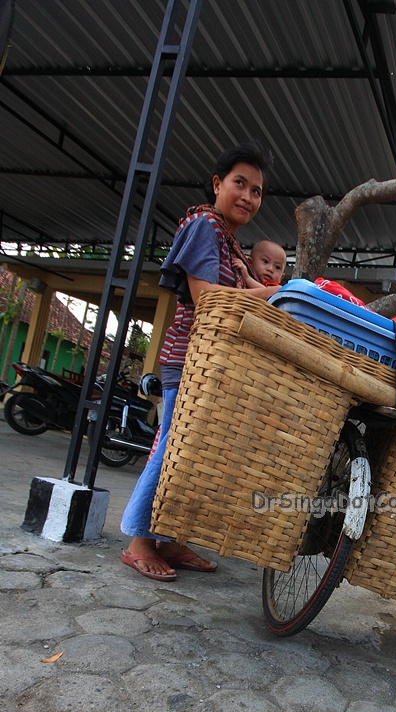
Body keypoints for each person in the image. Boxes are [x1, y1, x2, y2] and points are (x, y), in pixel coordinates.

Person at [120, 141, 279, 581]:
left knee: (188, 454)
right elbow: (205, 297)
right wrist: (272, 294)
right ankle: (139, 541)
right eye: (239, 183)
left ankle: (170, 539)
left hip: (210, 366)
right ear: (217, 184)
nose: (248, 196)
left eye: (256, 191)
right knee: (171, 447)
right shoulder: (204, 225)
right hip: (189, 361)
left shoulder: (229, 240)